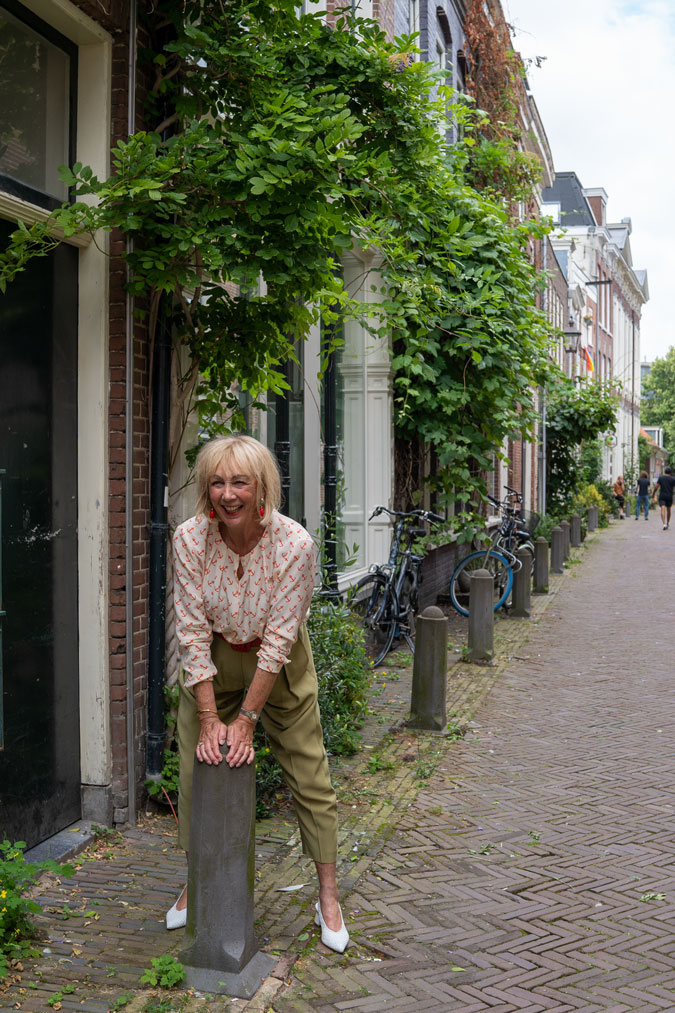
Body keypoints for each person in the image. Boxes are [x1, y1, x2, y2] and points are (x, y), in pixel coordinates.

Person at [166, 434, 349, 953]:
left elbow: (278, 643)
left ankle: (328, 896)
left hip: (280, 660)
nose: (228, 494)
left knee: (310, 774)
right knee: (194, 772)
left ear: (261, 486)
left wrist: (246, 720)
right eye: (218, 482)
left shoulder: (294, 545)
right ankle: (197, 882)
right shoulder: (189, 539)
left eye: (239, 482)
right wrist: (209, 717)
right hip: (215, 657)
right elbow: (191, 630)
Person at [654, 466, 675, 530]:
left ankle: (664, 524)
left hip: (662, 496)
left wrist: (653, 494)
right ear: (670, 472)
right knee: (668, 510)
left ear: (665, 471)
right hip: (669, 496)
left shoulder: (661, 478)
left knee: (662, 509)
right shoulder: (673, 479)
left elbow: (656, 487)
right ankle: (667, 523)